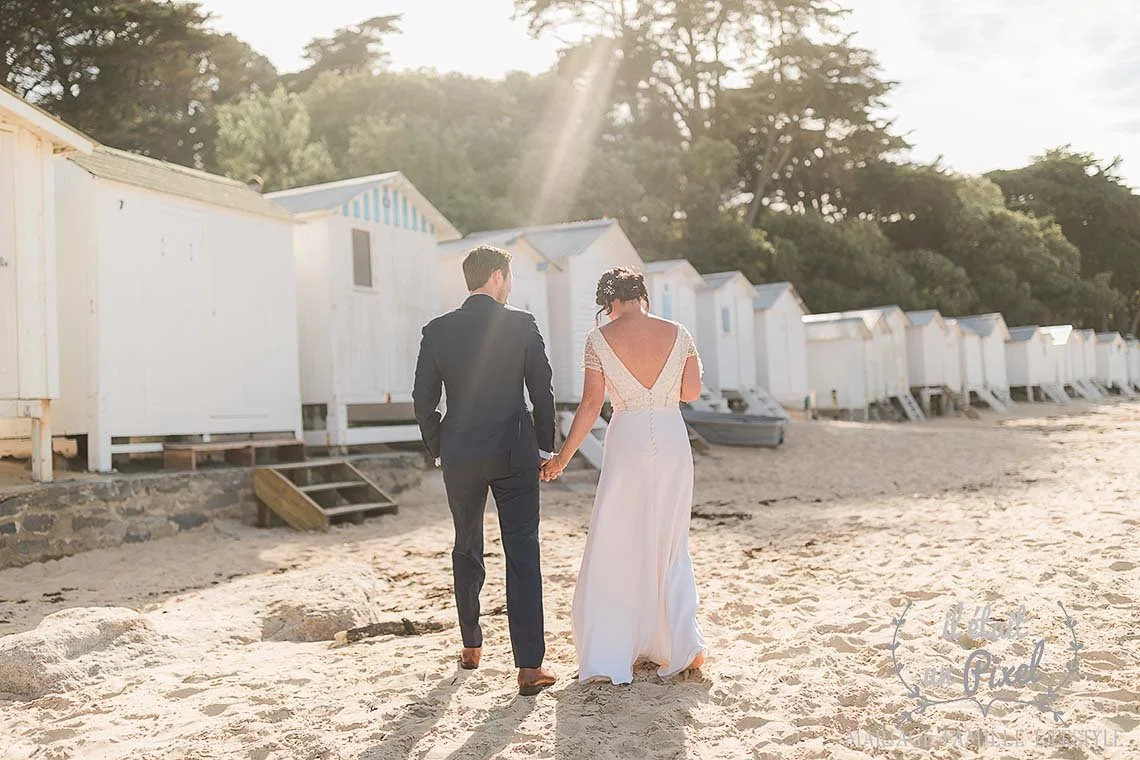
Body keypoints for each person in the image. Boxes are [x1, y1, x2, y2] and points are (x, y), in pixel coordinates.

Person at [542, 267, 707, 684]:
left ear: (609, 302)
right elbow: (691, 393)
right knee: (670, 542)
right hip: (671, 439)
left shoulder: (599, 340)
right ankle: (678, 644)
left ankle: (614, 648)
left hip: (627, 442)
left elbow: (591, 406)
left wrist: (562, 457)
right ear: (642, 296)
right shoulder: (679, 332)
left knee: (617, 539)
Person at [412, 245, 559, 696]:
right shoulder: (521, 324)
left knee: (467, 545)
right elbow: (543, 392)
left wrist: (441, 446)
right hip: (514, 454)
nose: (510, 285)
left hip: (460, 454)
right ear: (497, 277)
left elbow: (422, 399)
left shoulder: (437, 330)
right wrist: (544, 448)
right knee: (522, 551)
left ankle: (471, 645)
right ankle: (529, 668)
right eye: (509, 278)